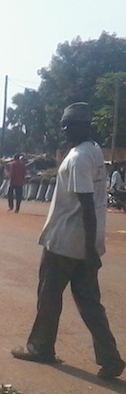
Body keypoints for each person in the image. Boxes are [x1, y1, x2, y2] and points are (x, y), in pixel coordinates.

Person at [11, 102, 125, 379]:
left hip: (65, 243)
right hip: (87, 243)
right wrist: (93, 248)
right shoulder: (95, 151)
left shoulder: (77, 158)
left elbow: (86, 205)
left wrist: (88, 250)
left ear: (85, 126)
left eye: (70, 124)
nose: (65, 129)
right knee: (90, 303)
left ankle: (40, 348)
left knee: (48, 296)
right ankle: (110, 358)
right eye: (64, 123)